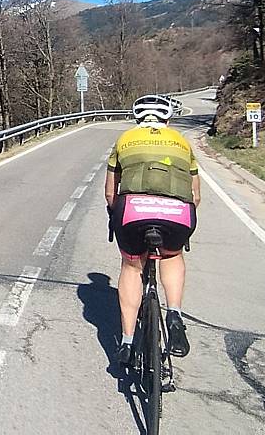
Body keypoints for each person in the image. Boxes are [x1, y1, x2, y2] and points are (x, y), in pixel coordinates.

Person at [106, 94, 200, 368]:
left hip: (133, 212)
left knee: (132, 265)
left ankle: (126, 341)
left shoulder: (124, 140)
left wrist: (115, 214)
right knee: (172, 256)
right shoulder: (182, 142)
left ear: (137, 118)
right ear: (168, 119)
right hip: (178, 213)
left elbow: (111, 193)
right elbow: (195, 195)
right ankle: (175, 315)